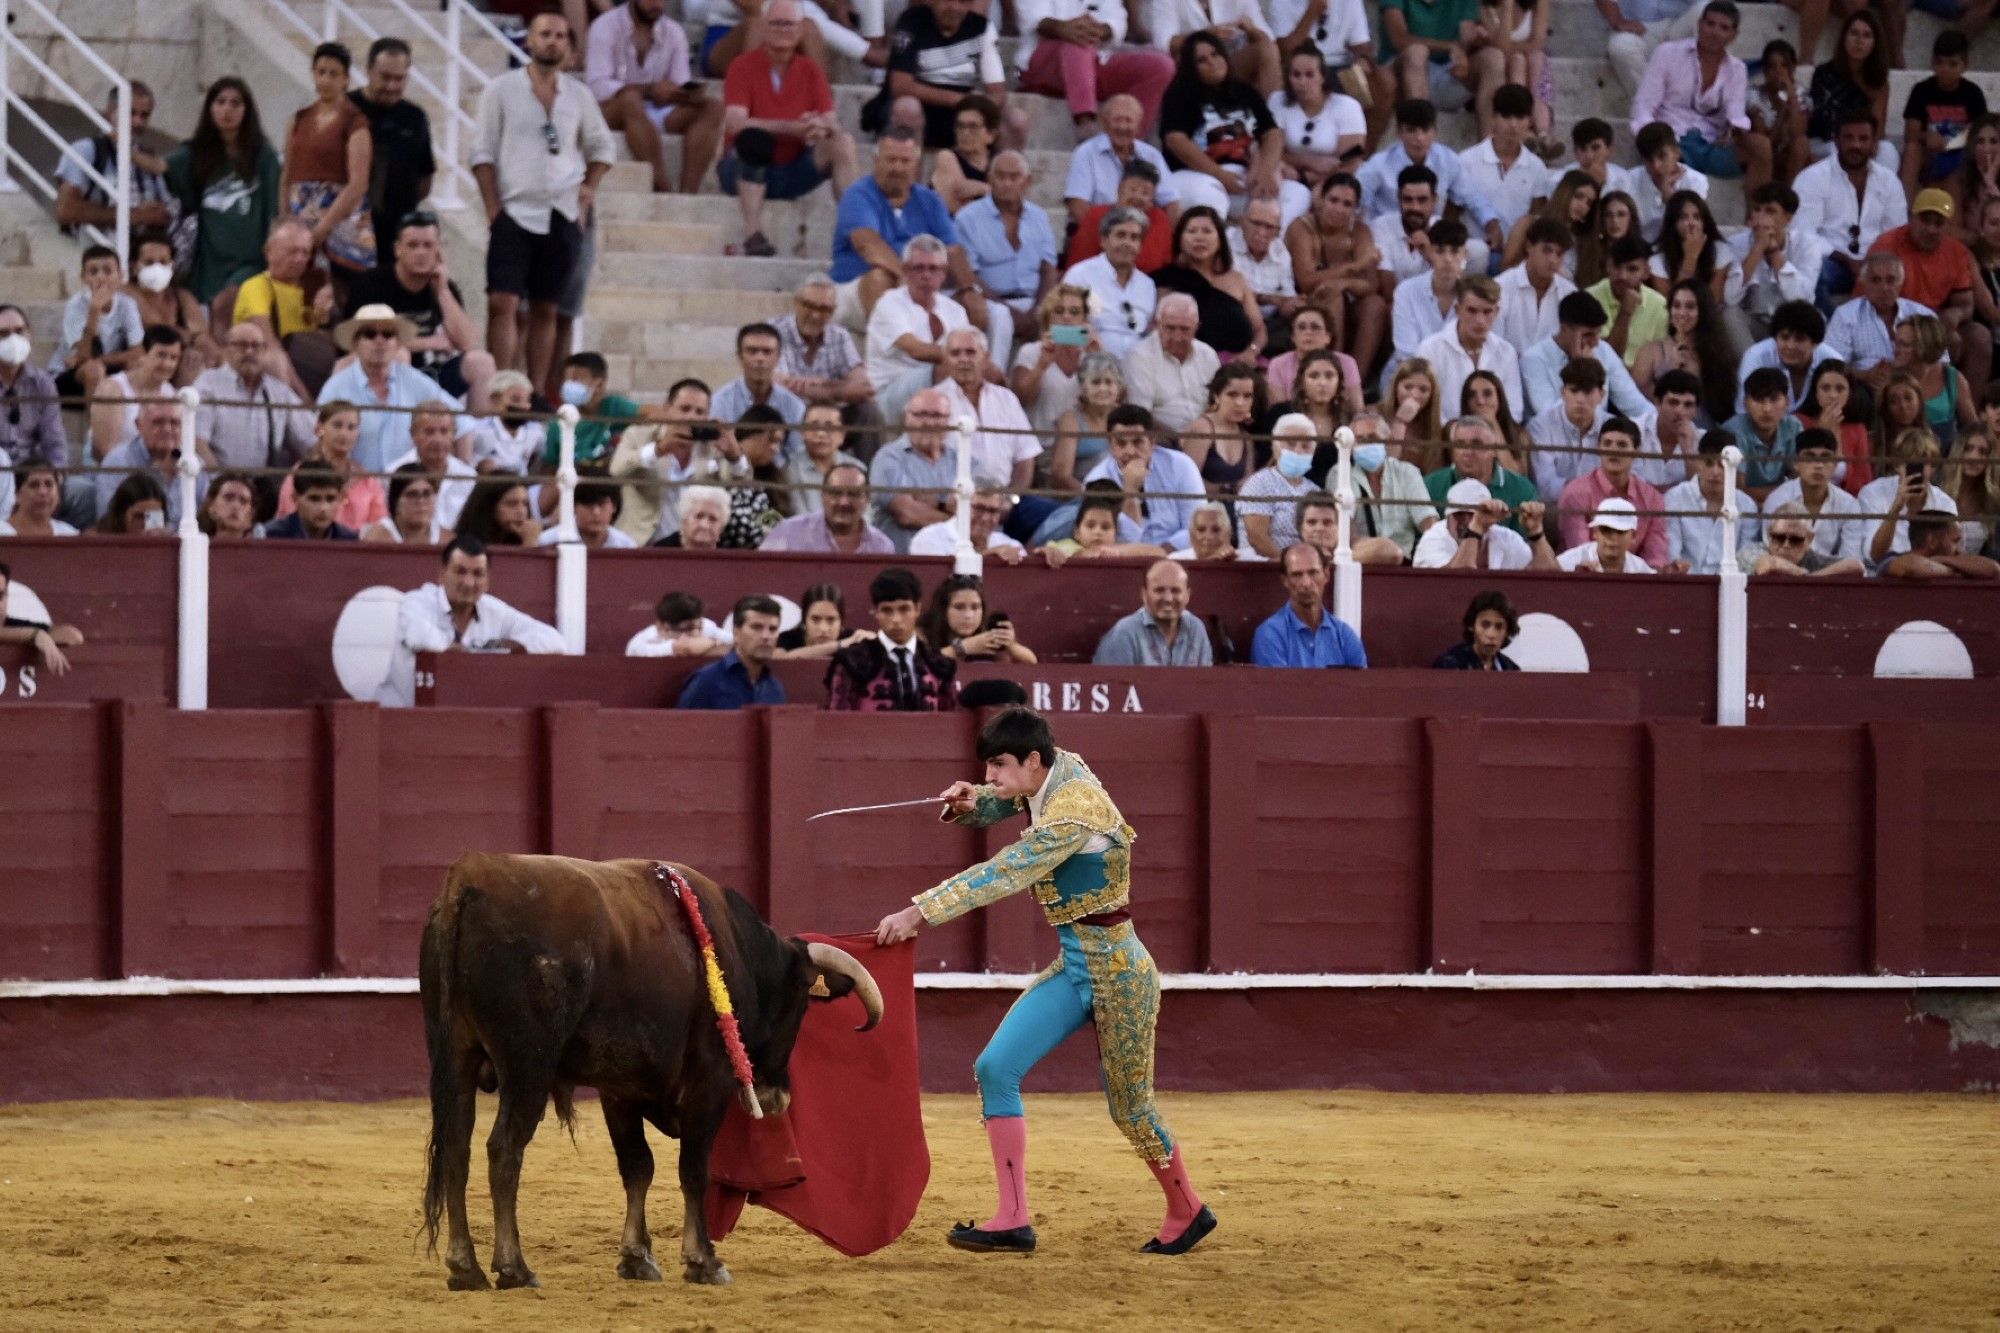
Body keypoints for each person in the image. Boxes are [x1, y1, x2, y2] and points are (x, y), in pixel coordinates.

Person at [874, 706, 1213, 1257]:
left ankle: (1188, 1207)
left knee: (1130, 1107)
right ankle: (1012, 1218)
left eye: (999, 766)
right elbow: (1011, 796)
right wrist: (976, 802)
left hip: (1120, 974)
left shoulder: (1072, 814)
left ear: (1034, 760)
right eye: (988, 767)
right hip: (1077, 963)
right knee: (995, 1067)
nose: (992, 777)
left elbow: (1004, 870)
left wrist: (918, 913)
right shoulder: (1057, 769)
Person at [473, 9, 618, 397]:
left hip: (562, 212)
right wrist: (493, 211)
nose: (552, 41)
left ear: (569, 47)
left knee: (546, 308)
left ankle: (535, 392)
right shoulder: (501, 89)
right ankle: (501, 387)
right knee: (502, 302)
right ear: (529, 41)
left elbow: (603, 148)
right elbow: (482, 154)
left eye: (560, 36)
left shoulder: (578, 95)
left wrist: (588, 189)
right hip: (515, 211)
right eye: (545, 34)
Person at [718, 0, 858, 257]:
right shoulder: (743, 66)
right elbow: (734, 122)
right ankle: (752, 231)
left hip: (791, 169)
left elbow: (832, 121)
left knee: (843, 143)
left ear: (800, 31)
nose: (783, 29)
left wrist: (821, 127)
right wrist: (792, 128)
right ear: (765, 27)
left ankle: (855, 231)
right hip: (741, 170)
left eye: (789, 24)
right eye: (776, 23)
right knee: (754, 140)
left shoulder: (810, 70)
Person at [380, 535, 563, 708]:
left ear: (487, 581)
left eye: (478, 574)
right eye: (460, 572)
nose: (469, 583)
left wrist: (511, 646)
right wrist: (466, 651)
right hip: (398, 716)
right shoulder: (417, 601)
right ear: (442, 575)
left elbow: (555, 640)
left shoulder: (495, 611)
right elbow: (418, 636)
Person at [344, 212, 495, 410]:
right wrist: (428, 343)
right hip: (382, 373)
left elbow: (469, 344)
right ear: (398, 249)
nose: (421, 252)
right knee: (399, 355)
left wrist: (442, 291)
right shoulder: (371, 284)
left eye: (428, 245)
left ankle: (478, 436)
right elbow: (367, 343)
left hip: (431, 376)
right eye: (413, 245)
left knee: (481, 362)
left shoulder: (444, 286)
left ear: (438, 250)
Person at [1158, 33, 1310, 229]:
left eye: (1215, 54)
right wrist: (1219, 174)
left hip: (1245, 177)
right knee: (1210, 194)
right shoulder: (1179, 94)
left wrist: (1266, 171)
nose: (1212, 62)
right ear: (1191, 67)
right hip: (1197, 174)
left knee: (1297, 193)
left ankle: (1267, 249)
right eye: (1202, 60)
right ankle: (1219, 255)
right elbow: (1175, 140)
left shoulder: (1244, 91)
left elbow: (1272, 134)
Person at [165, 78, 282, 325]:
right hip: (210, 260)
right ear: (210, 108)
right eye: (220, 102)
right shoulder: (196, 153)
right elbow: (163, 166)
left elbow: (275, 208)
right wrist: (126, 147)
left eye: (235, 103)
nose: (227, 109)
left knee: (225, 306)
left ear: (246, 110)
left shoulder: (262, 153)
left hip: (251, 259)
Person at [587, 0, 725, 198]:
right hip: (612, 109)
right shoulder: (604, 27)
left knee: (714, 107)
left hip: (658, 109)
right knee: (631, 101)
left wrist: (684, 94)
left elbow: (680, 81)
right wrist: (650, 90)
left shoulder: (674, 32)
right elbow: (598, 87)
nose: (657, 4)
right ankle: (662, 186)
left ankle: (687, 195)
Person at [1629, 2, 1770, 195]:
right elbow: (1643, 107)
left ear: (1734, 35)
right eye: (1710, 24)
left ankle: (1755, 220)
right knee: (1665, 155)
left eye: (1724, 27)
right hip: (1671, 141)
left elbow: (1736, 114)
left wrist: (1735, 132)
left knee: (1761, 146)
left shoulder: (1737, 69)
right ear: (1699, 25)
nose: (1715, 32)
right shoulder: (1667, 53)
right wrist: (1652, 141)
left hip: (1712, 145)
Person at [319, 304, 470, 475]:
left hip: (408, 490)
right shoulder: (336, 387)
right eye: (370, 334)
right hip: (355, 487)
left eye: (388, 334)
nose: (380, 340)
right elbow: (318, 440)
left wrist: (460, 469)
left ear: (398, 343)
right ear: (355, 344)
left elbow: (464, 422)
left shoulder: (416, 382)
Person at [1872, 191, 1992, 399]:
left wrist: (1954, 314)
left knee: (1977, 337)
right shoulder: (1887, 244)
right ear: (1911, 218)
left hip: (1935, 325)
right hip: (1892, 323)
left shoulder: (1956, 251)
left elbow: (1966, 304)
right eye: (1925, 221)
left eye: (1939, 223)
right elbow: (1870, 297)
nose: (1931, 229)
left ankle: (1966, 416)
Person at [1794, 109, 1908, 314]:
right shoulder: (1812, 178)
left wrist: (1873, 262)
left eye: (1863, 138)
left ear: (1874, 143)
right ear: (1836, 141)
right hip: (1832, 263)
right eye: (1848, 138)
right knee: (1811, 273)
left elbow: (1896, 234)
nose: (1856, 145)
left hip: (1877, 263)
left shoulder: (1889, 181)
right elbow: (1803, 235)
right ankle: (1830, 332)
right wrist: (1847, 260)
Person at [280, 42, 376, 278]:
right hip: (301, 212)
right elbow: (287, 176)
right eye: (321, 72)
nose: (325, 80)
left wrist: (323, 228)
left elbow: (358, 183)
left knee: (344, 290)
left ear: (346, 79)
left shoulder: (355, 122)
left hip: (342, 219)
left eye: (333, 74)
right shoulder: (299, 119)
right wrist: (285, 220)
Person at [865, 234, 974, 426]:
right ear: (905, 271)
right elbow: (916, 350)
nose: (926, 275)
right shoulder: (890, 303)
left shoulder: (955, 310)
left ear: (944, 273)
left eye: (933, 268)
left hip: (935, 388)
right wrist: (964, 358)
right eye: (918, 268)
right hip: (889, 393)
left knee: (986, 372)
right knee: (954, 367)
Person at [228, 219, 339, 400]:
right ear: (269, 251)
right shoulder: (256, 286)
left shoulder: (313, 288)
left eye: (305, 252)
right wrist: (304, 399)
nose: (299, 259)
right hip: (272, 371)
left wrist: (324, 317)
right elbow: (268, 344)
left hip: (310, 369)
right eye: (292, 251)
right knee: (275, 359)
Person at [956, 152, 1059, 346]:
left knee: (1073, 325)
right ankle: (996, 374)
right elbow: (970, 274)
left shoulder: (1040, 217)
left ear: (1028, 182)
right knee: (1001, 317)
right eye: (1000, 176)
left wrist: (1039, 311)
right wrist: (1011, 312)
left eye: (1014, 177)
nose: (1007, 183)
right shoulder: (968, 218)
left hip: (1033, 300)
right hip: (991, 301)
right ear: (989, 179)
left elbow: (1048, 269)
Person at [349, 38, 436, 260]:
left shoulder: (415, 117)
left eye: (399, 79)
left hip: (396, 234)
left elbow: (425, 177)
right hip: (348, 231)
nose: (392, 86)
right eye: (385, 77)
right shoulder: (346, 109)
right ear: (369, 71)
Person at [826, 566, 957, 711]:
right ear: (875, 612)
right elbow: (836, 722)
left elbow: (950, 720)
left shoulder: (939, 664)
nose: (896, 619)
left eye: (904, 609)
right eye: (887, 610)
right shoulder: (851, 661)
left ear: (917, 609)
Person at [54, 82, 173, 238]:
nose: (138, 122)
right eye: (131, 113)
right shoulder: (86, 150)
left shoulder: (148, 157)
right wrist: (136, 216)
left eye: (145, 115)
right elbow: (66, 210)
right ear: (111, 112)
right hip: (100, 251)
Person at [1152, 206, 1268, 360]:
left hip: (1241, 364)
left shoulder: (1237, 280)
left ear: (1220, 239)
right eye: (1192, 231)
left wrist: (1251, 352)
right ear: (1180, 240)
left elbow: (1259, 329)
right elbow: (1160, 328)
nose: (1199, 238)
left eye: (1207, 231)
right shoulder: (1166, 279)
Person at [1379, 0, 1503, 136]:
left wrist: (1474, 45)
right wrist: (1449, 47)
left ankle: (1489, 149)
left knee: (1494, 58)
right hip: (1403, 74)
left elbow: (1466, 35)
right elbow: (1399, 39)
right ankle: (1420, 140)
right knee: (1417, 52)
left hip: (1448, 71)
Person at [937, 326, 1038, 491]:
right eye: (955, 353)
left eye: (970, 352)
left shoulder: (1006, 398)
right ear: (945, 360)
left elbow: (1026, 458)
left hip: (1008, 497)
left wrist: (1010, 498)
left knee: (1064, 513)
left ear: (986, 358)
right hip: (958, 499)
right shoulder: (934, 401)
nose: (963, 359)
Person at [1721, 185, 1817, 353]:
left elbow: (1802, 298)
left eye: (1770, 211)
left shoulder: (1808, 245)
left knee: (1812, 319)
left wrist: (1773, 252)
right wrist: (1758, 248)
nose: (1761, 217)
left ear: (1788, 218)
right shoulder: (1737, 242)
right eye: (1757, 210)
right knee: (1729, 314)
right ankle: (1753, 370)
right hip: (1754, 321)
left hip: (1791, 323)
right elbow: (1730, 296)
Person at [1414, 276, 1523, 422]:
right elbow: (1424, 407)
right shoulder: (1430, 349)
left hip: (1492, 438)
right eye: (1472, 311)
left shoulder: (1506, 352)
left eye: (1487, 312)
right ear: (1457, 310)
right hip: (1442, 438)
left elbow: (1514, 411)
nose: (1480, 320)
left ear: (1496, 312)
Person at [869, 387, 961, 551]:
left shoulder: (962, 460)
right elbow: (907, 513)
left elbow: (987, 504)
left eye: (937, 416)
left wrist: (929, 501)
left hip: (953, 562)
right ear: (907, 418)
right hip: (903, 561)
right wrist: (958, 520)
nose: (929, 423)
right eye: (921, 415)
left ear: (948, 421)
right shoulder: (888, 458)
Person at [277, 400, 388, 534]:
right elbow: (291, 519)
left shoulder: (368, 481)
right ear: (319, 428)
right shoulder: (300, 474)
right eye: (337, 425)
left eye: (351, 427)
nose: (344, 433)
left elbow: (381, 525)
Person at [1758, 429, 1869, 564]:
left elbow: (1851, 559)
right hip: (1785, 574)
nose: (1818, 465)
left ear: (1835, 464)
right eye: (1809, 457)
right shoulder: (1777, 500)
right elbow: (1772, 551)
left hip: (1831, 580)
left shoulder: (1849, 505)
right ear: (1795, 463)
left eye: (1825, 457)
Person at [50, 244, 143, 402]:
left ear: (120, 275)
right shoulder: (76, 306)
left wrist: (102, 360)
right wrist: (94, 311)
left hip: (106, 366)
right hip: (69, 374)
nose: (100, 277)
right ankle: (96, 426)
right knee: (94, 370)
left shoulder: (127, 304)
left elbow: (137, 352)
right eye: (93, 272)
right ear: (84, 277)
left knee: (139, 365)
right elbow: (84, 357)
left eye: (108, 271)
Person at [1633, 280, 1735, 423]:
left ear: (1703, 311)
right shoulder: (1651, 351)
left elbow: (1721, 405)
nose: (1682, 313)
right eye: (1676, 305)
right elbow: (1637, 398)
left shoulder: (1716, 353)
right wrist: (1670, 372)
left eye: (1690, 307)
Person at [1250, 541, 1366, 666]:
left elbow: (1362, 684)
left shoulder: (1345, 635)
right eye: (1297, 575)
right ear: (1285, 581)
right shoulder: (1270, 634)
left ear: (1326, 575)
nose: (1306, 583)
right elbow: (1277, 685)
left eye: (1313, 573)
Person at [1824, 253, 1935, 384]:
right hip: (1864, 388)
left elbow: (1941, 362)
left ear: (1901, 284)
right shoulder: (1846, 315)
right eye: (1876, 280)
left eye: (1891, 280)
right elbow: (1831, 365)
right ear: (1864, 284)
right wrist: (1865, 375)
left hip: (1916, 386)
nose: (1884, 288)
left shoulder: (1923, 315)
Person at [1269, 45, 1367, 191]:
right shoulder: (1278, 101)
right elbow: (1271, 151)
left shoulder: (1347, 106)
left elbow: (1350, 160)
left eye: (1309, 75)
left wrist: (1314, 181)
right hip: (1290, 176)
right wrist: (1310, 161)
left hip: (1337, 180)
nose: (1302, 82)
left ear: (1323, 77)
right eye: (1296, 75)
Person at [775, 275, 874, 419]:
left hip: (831, 413)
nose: (815, 315)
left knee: (868, 410)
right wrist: (840, 388)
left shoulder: (839, 335)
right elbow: (780, 385)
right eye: (809, 306)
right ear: (796, 303)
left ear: (833, 311)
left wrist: (815, 385)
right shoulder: (775, 332)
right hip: (791, 411)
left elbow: (863, 385)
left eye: (824, 309)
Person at [1902, 32, 1988, 198]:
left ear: (1965, 65)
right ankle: (1903, 210)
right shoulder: (1921, 90)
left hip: (1960, 153)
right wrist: (1927, 137)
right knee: (1913, 149)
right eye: (1940, 63)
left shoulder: (1973, 93)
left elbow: (1981, 132)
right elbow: (1910, 133)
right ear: (1932, 63)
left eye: (1952, 64)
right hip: (1929, 153)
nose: (1945, 69)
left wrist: (1949, 143)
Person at [95, 397, 204, 528]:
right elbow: (109, 518)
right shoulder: (118, 462)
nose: (167, 429)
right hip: (139, 544)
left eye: (175, 423)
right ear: (138, 425)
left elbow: (207, 518)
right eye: (158, 422)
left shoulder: (193, 463)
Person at [1663, 430, 1762, 573]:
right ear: (1698, 461)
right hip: (1685, 584)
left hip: (1730, 586)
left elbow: (1745, 559)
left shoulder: (1747, 505)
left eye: (1722, 464)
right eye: (1709, 463)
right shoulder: (1675, 497)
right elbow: (1672, 554)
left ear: (1734, 465)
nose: (1715, 472)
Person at [1460, 84, 1552, 237]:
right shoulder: (1467, 161)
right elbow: (1453, 213)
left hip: (1516, 254)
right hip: (1474, 252)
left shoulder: (1537, 168)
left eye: (1520, 117)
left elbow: (1536, 218)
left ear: (1529, 121)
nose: (1513, 125)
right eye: (1506, 117)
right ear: (1494, 117)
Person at [1805, 10, 1894, 168]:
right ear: (1844, 37)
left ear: (1875, 43)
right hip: (1826, 141)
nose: (1859, 41)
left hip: (1859, 141)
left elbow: (1877, 128)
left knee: (1888, 151)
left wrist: (1865, 144)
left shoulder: (1879, 83)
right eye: (1854, 33)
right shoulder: (1824, 73)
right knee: (1837, 151)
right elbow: (1823, 121)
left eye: (1867, 36)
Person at [125, 233, 216, 386]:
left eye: (163, 262)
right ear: (134, 267)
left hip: (174, 361)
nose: (156, 268)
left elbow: (201, 335)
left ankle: (181, 405)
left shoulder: (182, 296)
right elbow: (156, 326)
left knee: (196, 357)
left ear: (172, 266)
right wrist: (190, 337)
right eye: (149, 262)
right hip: (138, 360)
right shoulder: (126, 292)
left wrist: (212, 353)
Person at [1413, 473, 1558, 568]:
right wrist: (1475, 528)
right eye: (1459, 515)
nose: (1466, 521)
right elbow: (1457, 583)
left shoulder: (1506, 538)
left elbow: (1550, 578)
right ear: (1448, 517)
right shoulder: (1434, 538)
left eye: (1472, 515)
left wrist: (1536, 533)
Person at [87, 324, 181, 470]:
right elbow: (105, 450)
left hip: (155, 474)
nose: (168, 364)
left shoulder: (171, 395)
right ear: (143, 355)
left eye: (174, 358)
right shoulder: (113, 389)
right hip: (113, 471)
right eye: (161, 355)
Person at [1858, 428, 1958, 561]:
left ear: (1933, 466)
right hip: (1882, 573)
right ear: (1897, 465)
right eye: (1910, 464)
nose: (1918, 471)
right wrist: (1897, 507)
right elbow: (1874, 555)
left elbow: (1951, 553)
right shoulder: (1873, 492)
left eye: (1923, 463)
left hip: (1928, 573)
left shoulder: (1945, 504)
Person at [1090, 558, 1214, 665]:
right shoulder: (1124, 633)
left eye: (1176, 591)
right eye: (1159, 590)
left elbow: (1204, 683)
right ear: (1144, 595)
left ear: (1187, 595)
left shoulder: (1196, 628)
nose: (1168, 599)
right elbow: (1112, 686)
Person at [713, 322, 808, 458]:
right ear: (740, 357)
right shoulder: (721, 401)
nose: (760, 358)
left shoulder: (794, 405)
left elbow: (797, 454)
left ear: (778, 358)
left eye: (767, 352)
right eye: (752, 351)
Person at [677, 595, 787, 710]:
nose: (766, 636)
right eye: (756, 627)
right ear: (736, 633)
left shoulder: (774, 688)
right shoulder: (706, 681)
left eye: (773, 629)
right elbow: (682, 726)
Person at [1891, 311, 1978, 451]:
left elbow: (1973, 429)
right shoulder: (1889, 379)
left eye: (1904, 345)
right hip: (1901, 458)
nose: (1895, 350)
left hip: (1945, 461)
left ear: (1924, 347)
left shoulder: (1952, 378)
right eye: (1896, 343)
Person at [762, 461, 895, 552]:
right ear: (823, 495)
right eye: (835, 494)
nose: (843, 502)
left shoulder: (882, 546)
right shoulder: (788, 532)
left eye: (853, 494)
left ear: (867, 500)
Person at [1526, 357, 1609, 500]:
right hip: (1558, 507)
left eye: (1588, 392)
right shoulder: (1540, 427)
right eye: (1574, 391)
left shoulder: (1613, 427)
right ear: (1563, 392)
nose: (1580, 400)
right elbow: (1544, 487)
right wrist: (1589, 489)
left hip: (1602, 506)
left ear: (1601, 395)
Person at [1496, 217, 1578, 363]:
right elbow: (1493, 345)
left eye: (1559, 254)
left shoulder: (1570, 294)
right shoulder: (1501, 287)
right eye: (1547, 250)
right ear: (1528, 247)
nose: (1553, 260)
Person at [0, 306, 69, 473]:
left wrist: (56, 478)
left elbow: (55, 443)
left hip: (33, 475)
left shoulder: (42, 384)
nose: (13, 340)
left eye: (19, 331)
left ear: (29, 334)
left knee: (81, 491)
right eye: (4, 334)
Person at [1049, 352, 1127, 494]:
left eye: (1109, 382)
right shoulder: (1071, 420)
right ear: (1084, 388)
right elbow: (1060, 476)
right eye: (1096, 382)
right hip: (1083, 497)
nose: (1103, 388)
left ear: (1119, 387)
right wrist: (1095, 499)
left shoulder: (1127, 418)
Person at [1736, 299, 1832, 414]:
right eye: (1784, 337)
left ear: (1815, 343)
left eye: (1799, 339)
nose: (1790, 346)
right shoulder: (1756, 358)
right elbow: (1744, 411)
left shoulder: (1830, 360)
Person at [1587, 236, 1667, 368]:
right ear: (1608, 266)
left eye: (1632, 269)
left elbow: (1661, 363)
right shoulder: (1588, 298)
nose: (1623, 276)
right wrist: (1625, 312)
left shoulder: (1659, 306)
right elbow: (1606, 360)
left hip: (1642, 383)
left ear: (1647, 272)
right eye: (1617, 267)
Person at [920, 574, 1037, 663]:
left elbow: (1031, 663)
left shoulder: (989, 631)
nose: (968, 615)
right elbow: (919, 664)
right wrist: (962, 648)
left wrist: (1011, 645)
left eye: (975, 607)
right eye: (959, 607)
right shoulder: (924, 632)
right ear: (943, 609)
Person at [1797, 359, 1872, 494]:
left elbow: (1864, 481)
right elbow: (1797, 474)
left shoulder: (1857, 429)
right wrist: (1821, 432)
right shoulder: (1798, 422)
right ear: (1815, 392)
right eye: (1825, 388)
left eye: (1840, 388)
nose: (1832, 395)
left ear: (1850, 392)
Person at [1266, 306, 1363, 410]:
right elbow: (1279, 411)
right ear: (1293, 337)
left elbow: (1357, 409)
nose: (1308, 332)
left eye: (1315, 327)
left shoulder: (1346, 363)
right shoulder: (1278, 364)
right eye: (1301, 327)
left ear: (1328, 337)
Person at [1628, 121, 1710, 242]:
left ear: (1677, 152)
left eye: (1662, 156)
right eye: (1649, 159)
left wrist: (1671, 200)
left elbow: (1690, 227)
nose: (1656, 165)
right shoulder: (1630, 179)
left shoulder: (1696, 181)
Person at [0, 560, 85, 676]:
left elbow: (73, 636)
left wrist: (41, 638)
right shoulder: (30, 632)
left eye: (1, 595)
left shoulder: (16, 625)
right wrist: (34, 635)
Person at [910, 475, 1028, 558]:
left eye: (993, 511)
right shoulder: (929, 539)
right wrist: (988, 557)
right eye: (979, 508)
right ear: (957, 506)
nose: (985, 518)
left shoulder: (1011, 545)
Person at [1738, 501, 1866, 576]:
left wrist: (1809, 580)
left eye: (1796, 540)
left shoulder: (1811, 558)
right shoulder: (1750, 551)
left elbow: (1856, 566)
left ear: (1809, 539)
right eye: (1779, 537)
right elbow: (1769, 564)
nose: (1786, 545)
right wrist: (1805, 576)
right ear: (1769, 534)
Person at [1746, 38, 1809, 185]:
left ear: (1793, 68)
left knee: (1802, 144)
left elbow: (1798, 132)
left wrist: (1791, 94)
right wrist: (1781, 114)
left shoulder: (1802, 93)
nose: (1778, 71)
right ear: (1765, 70)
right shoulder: (1754, 94)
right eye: (1772, 66)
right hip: (1766, 154)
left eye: (1784, 65)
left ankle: (1789, 196)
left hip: (1790, 155)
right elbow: (1767, 143)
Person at [1881, 508, 2000, 579]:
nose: (1959, 548)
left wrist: (1943, 559)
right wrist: (1952, 570)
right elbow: (1911, 567)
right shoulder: (1891, 559)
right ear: (1932, 541)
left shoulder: (1954, 561)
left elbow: (1993, 568)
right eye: (1955, 541)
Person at [1555, 496, 1656, 572]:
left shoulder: (1640, 569)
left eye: (1620, 531)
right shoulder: (1572, 560)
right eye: (1606, 530)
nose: (1613, 537)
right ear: (1595, 532)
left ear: (1633, 536)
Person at [1941, 425, 1998, 555]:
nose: (1974, 457)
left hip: (1978, 572)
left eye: (1983, 452)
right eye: (1967, 449)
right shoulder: (1938, 489)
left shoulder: (1993, 502)